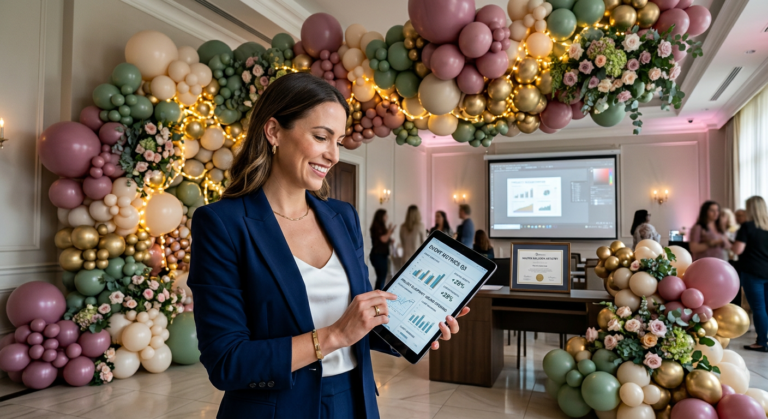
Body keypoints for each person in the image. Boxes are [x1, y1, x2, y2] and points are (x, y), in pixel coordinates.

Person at [188, 73, 468, 419]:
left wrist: (416, 327)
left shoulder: (342, 217)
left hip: (354, 401)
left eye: (338, 141)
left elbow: (359, 324)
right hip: (276, 409)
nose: (333, 155)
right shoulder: (221, 224)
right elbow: (227, 361)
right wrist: (333, 336)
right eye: (321, 137)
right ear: (274, 131)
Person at [732, 196, 768, 352]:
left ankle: (761, 342)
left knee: (759, 308)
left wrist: (730, 244)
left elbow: (738, 250)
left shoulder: (747, 227)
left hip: (753, 272)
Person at [369, 209, 395, 290]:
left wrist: (389, 235)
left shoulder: (381, 226)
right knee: (381, 278)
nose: (387, 217)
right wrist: (389, 232)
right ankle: (378, 296)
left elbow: (385, 240)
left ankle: (377, 295)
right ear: (381, 216)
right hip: (378, 255)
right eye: (385, 215)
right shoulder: (377, 226)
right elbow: (383, 239)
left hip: (381, 255)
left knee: (381, 278)